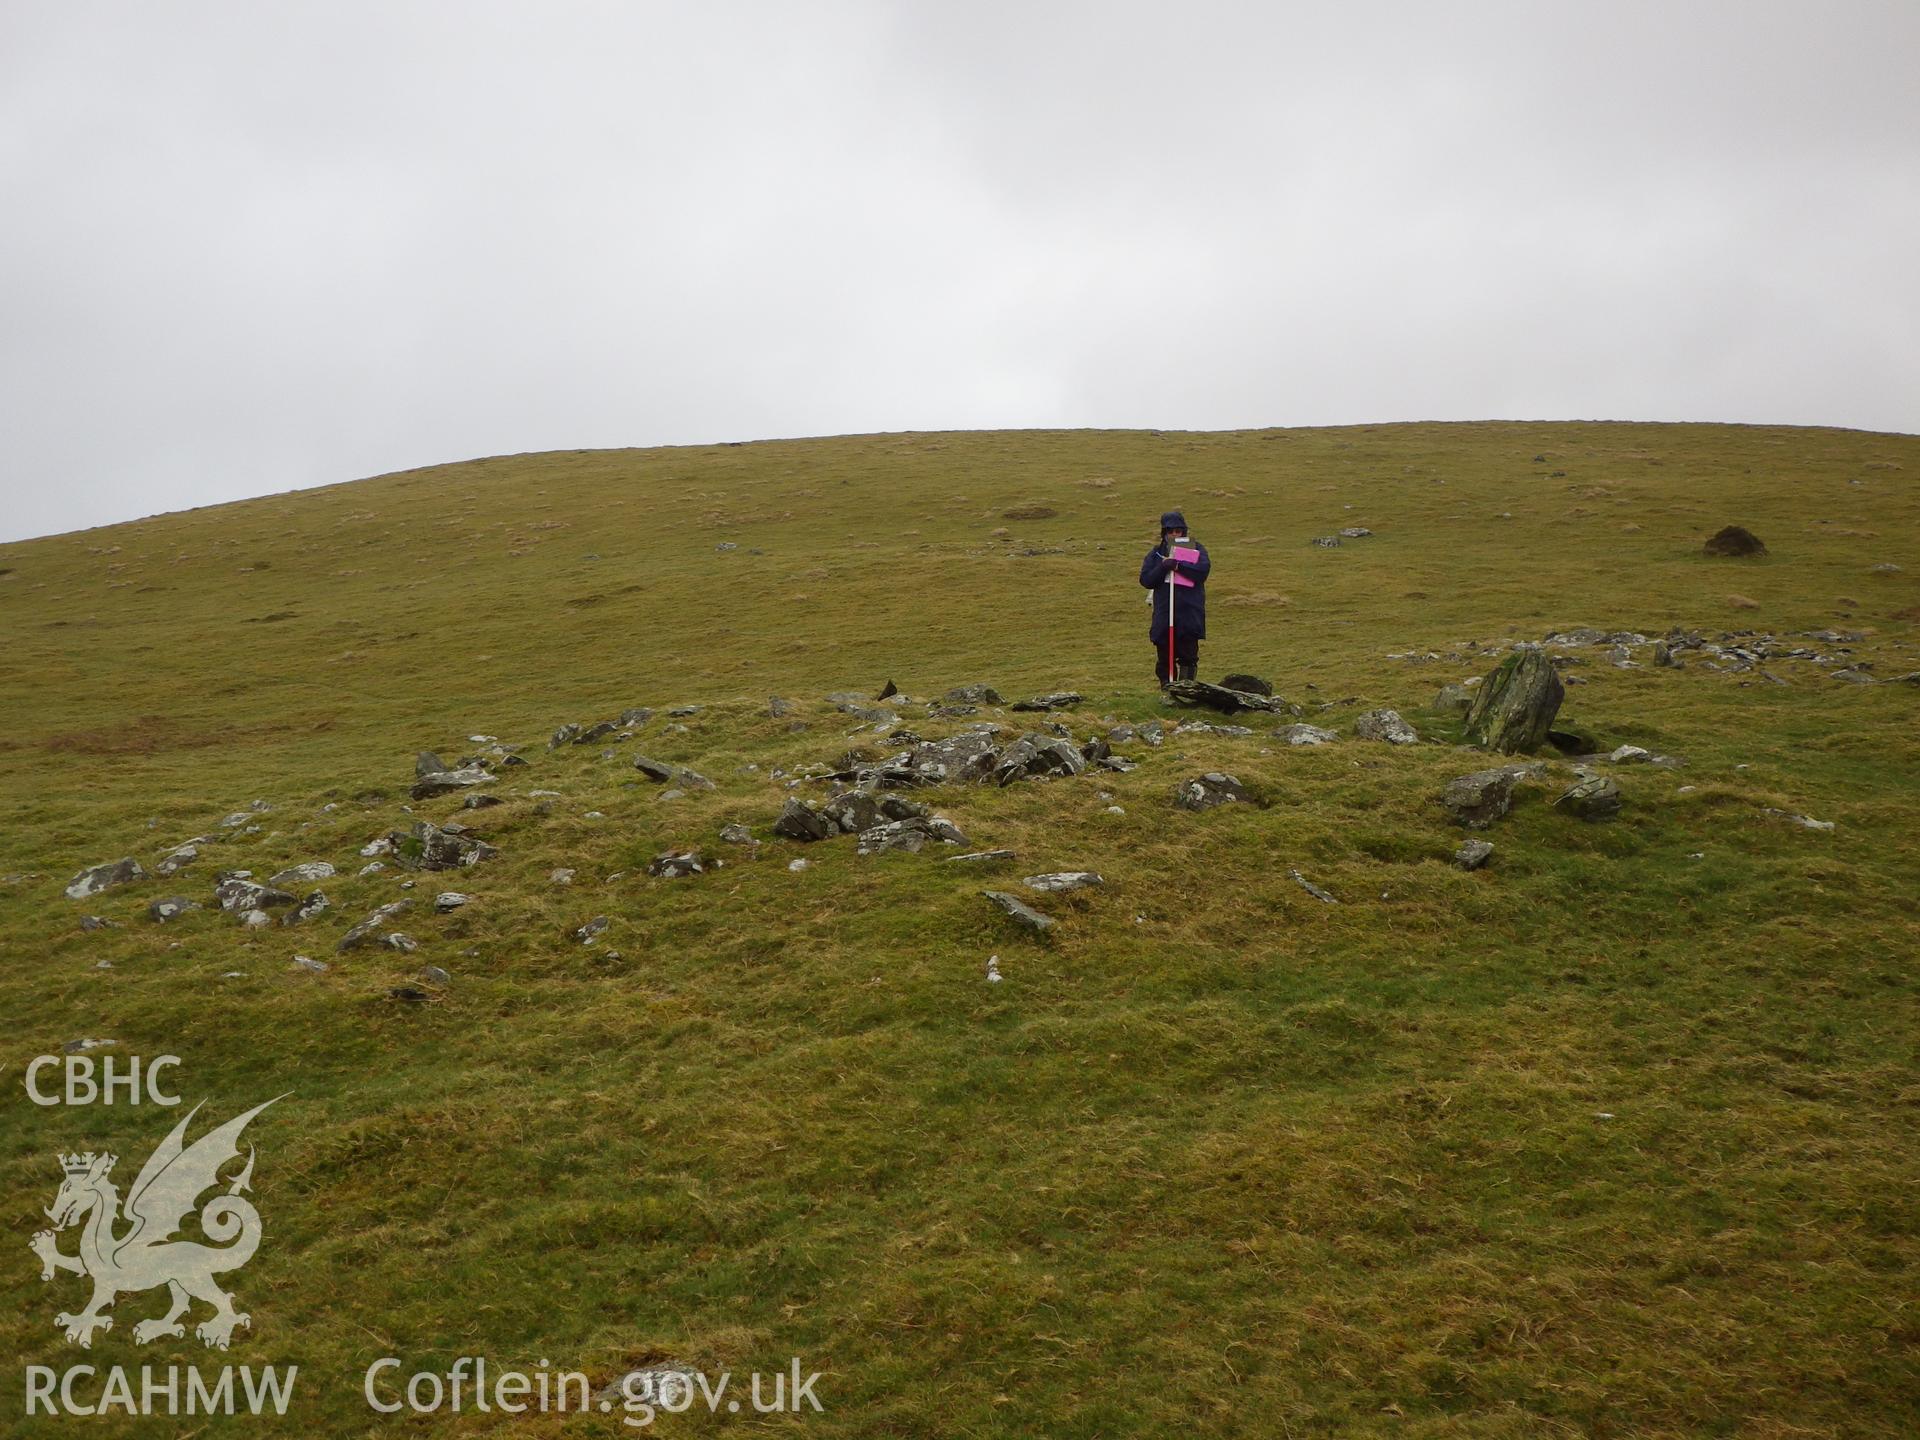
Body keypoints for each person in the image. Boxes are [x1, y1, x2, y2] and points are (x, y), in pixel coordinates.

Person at [1139, 510, 1210, 686]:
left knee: (1188, 655)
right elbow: (1146, 580)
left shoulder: (1196, 549)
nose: (1174, 534)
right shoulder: (1155, 554)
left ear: (1183, 531)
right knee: (1165, 655)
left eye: (1178, 531)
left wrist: (1179, 566)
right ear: (1164, 532)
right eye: (1171, 531)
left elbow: (1202, 572)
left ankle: (1186, 690)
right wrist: (1163, 567)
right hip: (1164, 612)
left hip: (1189, 611)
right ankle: (1167, 689)